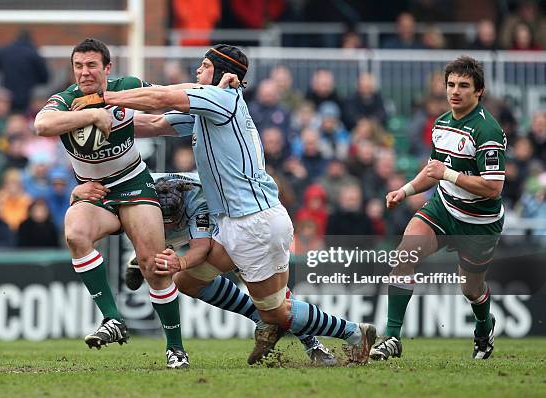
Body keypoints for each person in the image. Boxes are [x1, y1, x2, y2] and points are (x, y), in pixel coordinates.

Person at [71, 44, 377, 364]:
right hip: (232, 221)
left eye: (203, 66)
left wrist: (101, 98)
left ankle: (353, 332)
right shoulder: (207, 109)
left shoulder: (222, 98)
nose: (197, 72)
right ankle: (272, 324)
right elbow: (153, 124)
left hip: (254, 221)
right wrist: (87, 122)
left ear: (221, 72)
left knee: (277, 311)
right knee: (187, 281)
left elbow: (161, 98)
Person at [33, 38, 189, 369]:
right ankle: (113, 320)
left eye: (91, 65)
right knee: (75, 233)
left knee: (153, 266)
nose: (84, 72)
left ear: (107, 67)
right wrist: (89, 117)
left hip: (133, 182)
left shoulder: (127, 87)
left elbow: (164, 101)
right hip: (94, 192)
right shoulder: (65, 100)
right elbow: (41, 125)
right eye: (78, 66)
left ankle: (175, 349)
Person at [73, 172, 337, 366]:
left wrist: (180, 261)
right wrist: (78, 192)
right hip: (176, 224)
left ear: (180, 215)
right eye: (161, 225)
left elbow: (200, 249)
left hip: (230, 222)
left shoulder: (197, 203)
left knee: (266, 289)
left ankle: (313, 343)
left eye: (170, 224)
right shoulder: (144, 190)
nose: (164, 228)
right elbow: (103, 189)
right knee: (185, 281)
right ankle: (262, 319)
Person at [370, 56, 507, 361]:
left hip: (479, 222)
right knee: (404, 256)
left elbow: (493, 187)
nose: (455, 91)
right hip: (443, 208)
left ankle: (484, 328)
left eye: (463, 85)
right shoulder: (442, 123)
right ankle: (392, 336)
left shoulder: (487, 131)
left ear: (479, 91)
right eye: (451, 84)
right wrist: (404, 191)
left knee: (471, 289)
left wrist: (447, 175)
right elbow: (433, 170)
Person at [0, 30, 49, 112]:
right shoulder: (34, 54)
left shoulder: (4, 51)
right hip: (28, 96)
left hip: (7, 95)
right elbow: (45, 77)